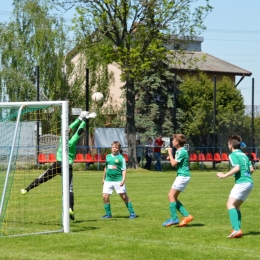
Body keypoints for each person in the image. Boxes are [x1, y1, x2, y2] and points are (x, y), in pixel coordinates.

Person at [20, 111, 96, 220]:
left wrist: (79, 118)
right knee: (70, 189)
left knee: (43, 177)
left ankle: (26, 189)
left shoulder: (61, 140)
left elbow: (69, 129)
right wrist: (85, 121)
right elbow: (78, 132)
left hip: (58, 164)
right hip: (67, 166)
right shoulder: (72, 142)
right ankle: (70, 208)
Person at [216, 134, 254, 238]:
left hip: (241, 183)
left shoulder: (233, 155)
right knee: (236, 206)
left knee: (230, 205)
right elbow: (251, 169)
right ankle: (237, 229)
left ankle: (236, 229)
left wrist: (224, 175)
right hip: (249, 183)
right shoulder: (244, 155)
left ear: (230, 145)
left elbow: (237, 167)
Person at [162, 134, 193, 227]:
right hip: (182, 175)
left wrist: (170, 154)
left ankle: (174, 219)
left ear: (177, 142)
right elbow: (175, 162)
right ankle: (187, 216)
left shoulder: (182, 151)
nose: (172, 141)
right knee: (174, 197)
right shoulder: (179, 151)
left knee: (170, 195)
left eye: (173, 140)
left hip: (183, 176)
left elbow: (173, 164)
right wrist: (171, 157)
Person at [102, 141, 136, 219]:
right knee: (105, 197)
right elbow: (106, 167)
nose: (114, 149)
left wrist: (123, 180)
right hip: (108, 180)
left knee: (124, 197)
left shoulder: (121, 158)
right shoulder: (108, 157)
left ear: (119, 149)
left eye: (116, 147)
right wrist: (103, 178)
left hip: (118, 180)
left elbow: (123, 169)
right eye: (113, 147)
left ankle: (132, 213)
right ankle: (108, 214)